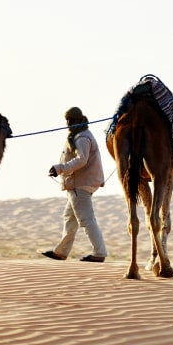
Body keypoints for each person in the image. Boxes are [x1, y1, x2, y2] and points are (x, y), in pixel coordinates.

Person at [41, 107, 107, 262]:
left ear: (78, 120)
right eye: (67, 120)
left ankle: (100, 253)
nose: (68, 123)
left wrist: (60, 168)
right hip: (77, 185)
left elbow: (81, 159)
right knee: (70, 218)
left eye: (71, 120)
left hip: (80, 185)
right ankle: (61, 251)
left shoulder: (82, 137)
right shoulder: (79, 135)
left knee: (86, 220)